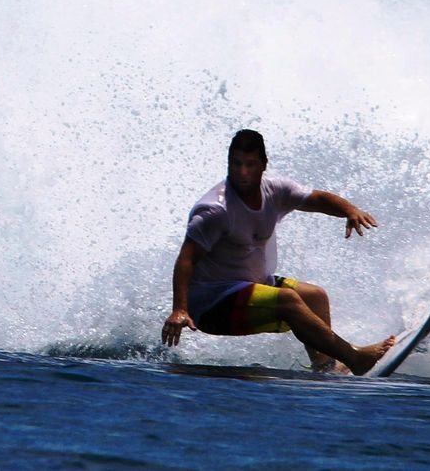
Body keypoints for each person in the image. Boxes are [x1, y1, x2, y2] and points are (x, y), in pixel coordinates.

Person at [160, 129, 396, 375]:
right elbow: (186, 260)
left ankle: (326, 366)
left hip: (251, 286)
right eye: (236, 164)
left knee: (315, 296)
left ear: (263, 165)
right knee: (287, 299)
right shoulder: (214, 210)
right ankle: (354, 357)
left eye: (250, 165)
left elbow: (316, 199)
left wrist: (349, 210)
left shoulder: (276, 190)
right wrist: (180, 309)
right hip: (212, 305)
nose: (242, 172)